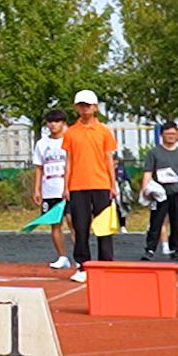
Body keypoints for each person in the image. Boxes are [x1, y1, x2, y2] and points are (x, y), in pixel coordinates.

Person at [62, 89, 119, 282]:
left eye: (88, 105)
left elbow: (109, 158)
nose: (84, 109)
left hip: (101, 184)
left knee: (104, 227)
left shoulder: (104, 131)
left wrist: (113, 184)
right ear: (76, 108)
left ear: (95, 107)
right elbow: (69, 160)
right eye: (81, 105)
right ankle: (82, 265)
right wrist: (66, 186)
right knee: (80, 227)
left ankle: (106, 264)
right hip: (77, 186)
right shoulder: (71, 132)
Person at [142, 121, 178, 261]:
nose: (171, 136)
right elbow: (148, 172)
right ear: (162, 135)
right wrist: (145, 189)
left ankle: (175, 249)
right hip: (159, 194)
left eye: (173, 133)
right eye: (167, 134)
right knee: (156, 222)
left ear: (177, 135)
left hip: (177, 192)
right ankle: (150, 249)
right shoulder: (154, 153)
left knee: (176, 222)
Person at [31, 110, 72, 270]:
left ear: (63, 123)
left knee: (73, 222)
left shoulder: (69, 141)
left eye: (57, 121)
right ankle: (62, 256)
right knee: (55, 224)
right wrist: (37, 190)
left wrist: (68, 186)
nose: (53, 125)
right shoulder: (42, 144)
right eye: (50, 122)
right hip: (49, 189)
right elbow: (39, 168)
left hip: (68, 189)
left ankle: (81, 257)